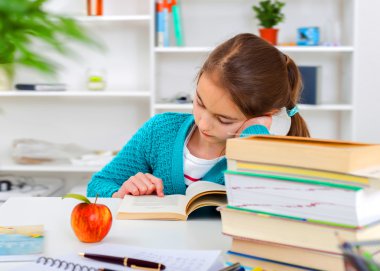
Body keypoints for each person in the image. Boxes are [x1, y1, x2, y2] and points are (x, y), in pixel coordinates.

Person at [87, 33, 310, 198]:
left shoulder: (274, 151)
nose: (203, 123)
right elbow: (98, 185)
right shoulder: (160, 131)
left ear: (266, 115)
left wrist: (254, 135)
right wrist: (121, 194)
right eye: (200, 102)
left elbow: (264, 208)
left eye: (224, 119)